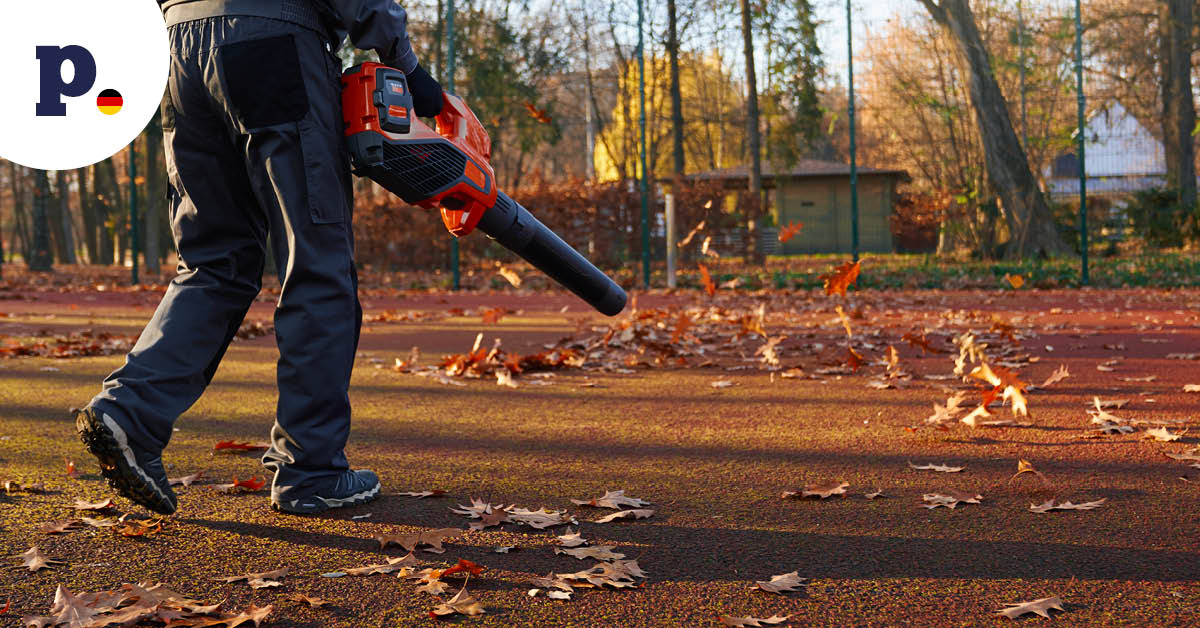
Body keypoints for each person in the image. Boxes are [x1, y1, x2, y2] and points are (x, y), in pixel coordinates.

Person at [74, 0, 443, 516]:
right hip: (274, 41)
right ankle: (311, 469)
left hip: (175, 50)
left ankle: (128, 415)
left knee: (212, 262)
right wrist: (406, 63)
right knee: (316, 262)